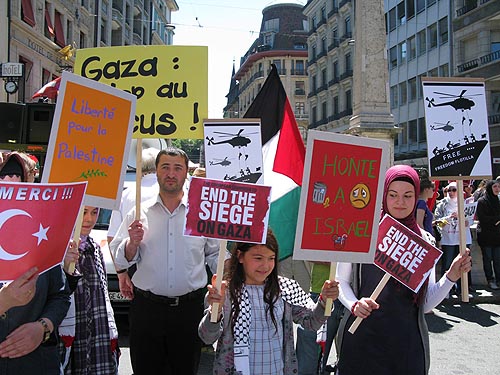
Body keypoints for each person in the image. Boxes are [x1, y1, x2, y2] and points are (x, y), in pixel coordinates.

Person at [334, 165, 471, 375]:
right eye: (393, 195)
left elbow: (425, 305)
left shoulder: (425, 241)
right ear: (384, 195)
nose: (400, 202)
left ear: (416, 196)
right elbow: (341, 281)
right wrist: (354, 304)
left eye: (408, 196)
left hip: (406, 346)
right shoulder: (363, 232)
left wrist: (451, 276)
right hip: (362, 339)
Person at [110, 147, 219, 375]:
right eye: (165, 167)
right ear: (156, 172)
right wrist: (132, 243)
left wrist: (224, 284)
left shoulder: (202, 212)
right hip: (147, 311)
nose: (171, 173)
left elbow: (215, 256)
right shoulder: (138, 212)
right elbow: (120, 257)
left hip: (189, 312)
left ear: (186, 173)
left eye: (177, 168)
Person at [198, 229, 339, 375]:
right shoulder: (223, 292)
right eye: (258, 258)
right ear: (240, 256)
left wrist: (325, 300)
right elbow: (207, 337)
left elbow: (312, 322)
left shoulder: (285, 288)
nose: (265, 266)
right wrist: (216, 311)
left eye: (271, 258)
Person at [0, 150, 71, 374]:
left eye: (18, 179)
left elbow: (60, 295)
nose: (11, 185)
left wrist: (42, 327)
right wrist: (4, 302)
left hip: (38, 363)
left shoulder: (43, 236)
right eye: (4, 179)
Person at [59, 206, 119, 374]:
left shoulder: (95, 247)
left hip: (97, 334)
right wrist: (65, 266)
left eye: (94, 212)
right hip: (72, 332)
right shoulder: (59, 247)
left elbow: (103, 293)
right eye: (84, 212)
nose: (90, 219)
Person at [107, 147, 160, 300]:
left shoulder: (126, 194)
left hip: (134, 268)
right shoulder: (172, 193)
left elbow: (112, 237)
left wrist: (121, 273)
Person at [434, 181, 473, 296]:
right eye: (448, 190)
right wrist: (449, 218)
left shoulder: (465, 203)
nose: (451, 193)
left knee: (464, 263)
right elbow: (437, 222)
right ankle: (445, 290)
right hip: (448, 239)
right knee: (447, 264)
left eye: (454, 190)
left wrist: (466, 221)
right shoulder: (442, 204)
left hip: (463, 238)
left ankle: (463, 289)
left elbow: (470, 219)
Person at [475, 180, 500, 290]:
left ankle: (498, 280)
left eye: (498, 187)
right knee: (488, 258)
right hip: (486, 236)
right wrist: (496, 220)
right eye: (495, 186)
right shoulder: (482, 201)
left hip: (497, 236)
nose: (497, 189)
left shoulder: (498, 201)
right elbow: (482, 218)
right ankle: (490, 279)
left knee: (497, 259)